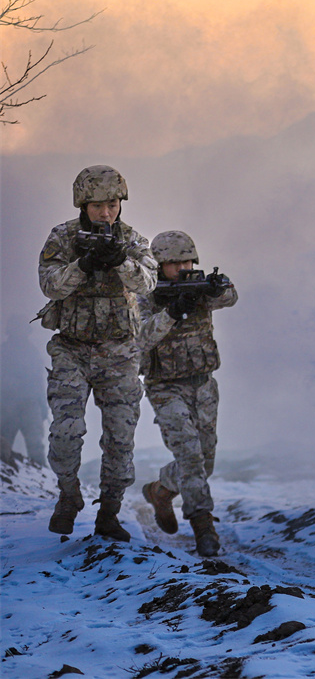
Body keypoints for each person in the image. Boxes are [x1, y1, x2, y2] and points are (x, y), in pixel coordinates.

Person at [37, 165, 157, 540]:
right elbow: (50, 286)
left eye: (113, 204)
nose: (106, 213)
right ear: (82, 204)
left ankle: (109, 511)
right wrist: (83, 264)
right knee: (64, 434)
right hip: (72, 350)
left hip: (119, 351)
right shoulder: (64, 237)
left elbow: (149, 282)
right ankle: (69, 496)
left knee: (121, 437)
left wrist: (120, 260)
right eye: (98, 206)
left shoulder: (132, 240)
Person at [138, 231, 237, 557]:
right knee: (191, 455)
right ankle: (203, 526)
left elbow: (230, 297)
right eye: (174, 263)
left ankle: (161, 491)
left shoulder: (198, 289)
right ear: (159, 265)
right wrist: (171, 311)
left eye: (187, 260)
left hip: (204, 383)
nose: (183, 267)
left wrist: (216, 286)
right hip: (165, 388)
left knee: (204, 460)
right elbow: (140, 338)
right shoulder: (144, 295)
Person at [1, 314, 50, 467]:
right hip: (12, 405)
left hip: (27, 405)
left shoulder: (30, 352)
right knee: (5, 446)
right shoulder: (5, 352)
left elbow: (38, 381)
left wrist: (42, 407)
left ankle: (42, 479)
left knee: (35, 447)